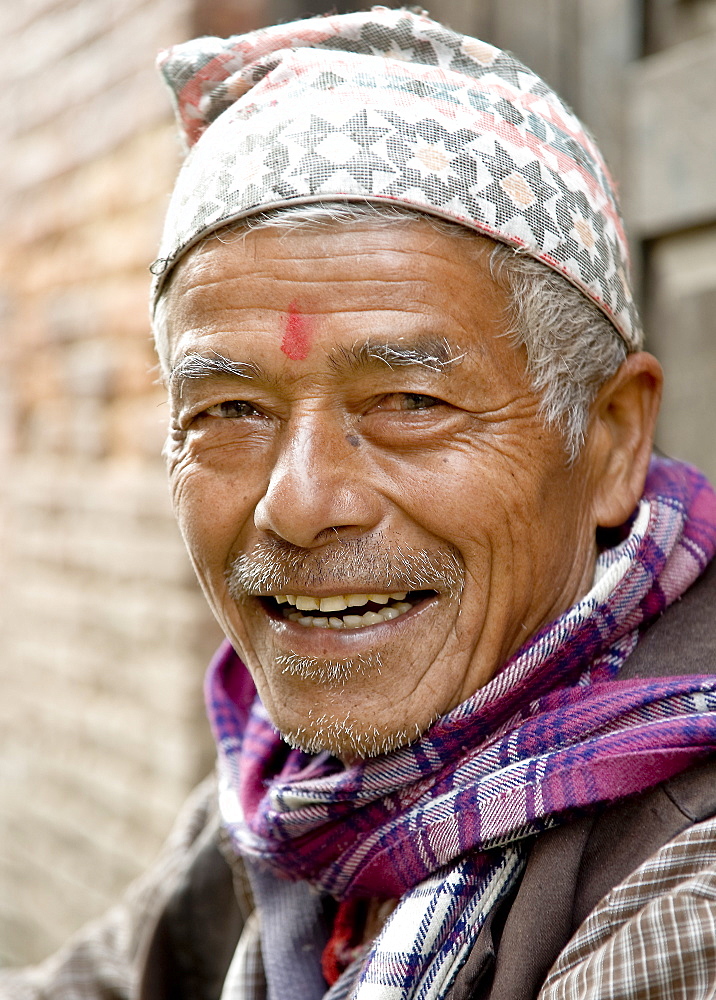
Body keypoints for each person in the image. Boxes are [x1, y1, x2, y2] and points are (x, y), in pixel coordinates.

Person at [4, 8, 716, 999]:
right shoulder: (296, 791)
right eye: (230, 408)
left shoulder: (684, 894)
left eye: (408, 403)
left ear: (607, 440)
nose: (297, 504)